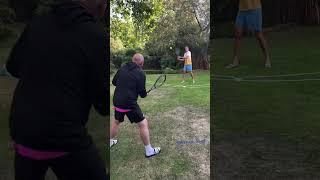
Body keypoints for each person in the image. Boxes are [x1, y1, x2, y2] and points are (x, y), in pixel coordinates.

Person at [6, 0, 109, 179]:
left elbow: (13, 67)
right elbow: (103, 105)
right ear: (100, 5)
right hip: (63, 136)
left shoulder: (38, 22)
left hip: (23, 130)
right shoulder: (95, 35)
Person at [110, 53, 161, 158]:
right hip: (129, 103)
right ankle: (149, 151)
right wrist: (144, 93)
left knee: (116, 121)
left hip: (117, 100)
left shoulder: (122, 68)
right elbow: (142, 94)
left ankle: (109, 141)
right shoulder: (141, 73)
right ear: (142, 63)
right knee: (143, 123)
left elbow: (114, 82)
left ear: (132, 60)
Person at [226, 0, 271, 68]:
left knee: (258, 34)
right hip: (242, 10)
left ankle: (267, 58)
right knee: (238, 33)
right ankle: (235, 61)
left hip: (255, 8)